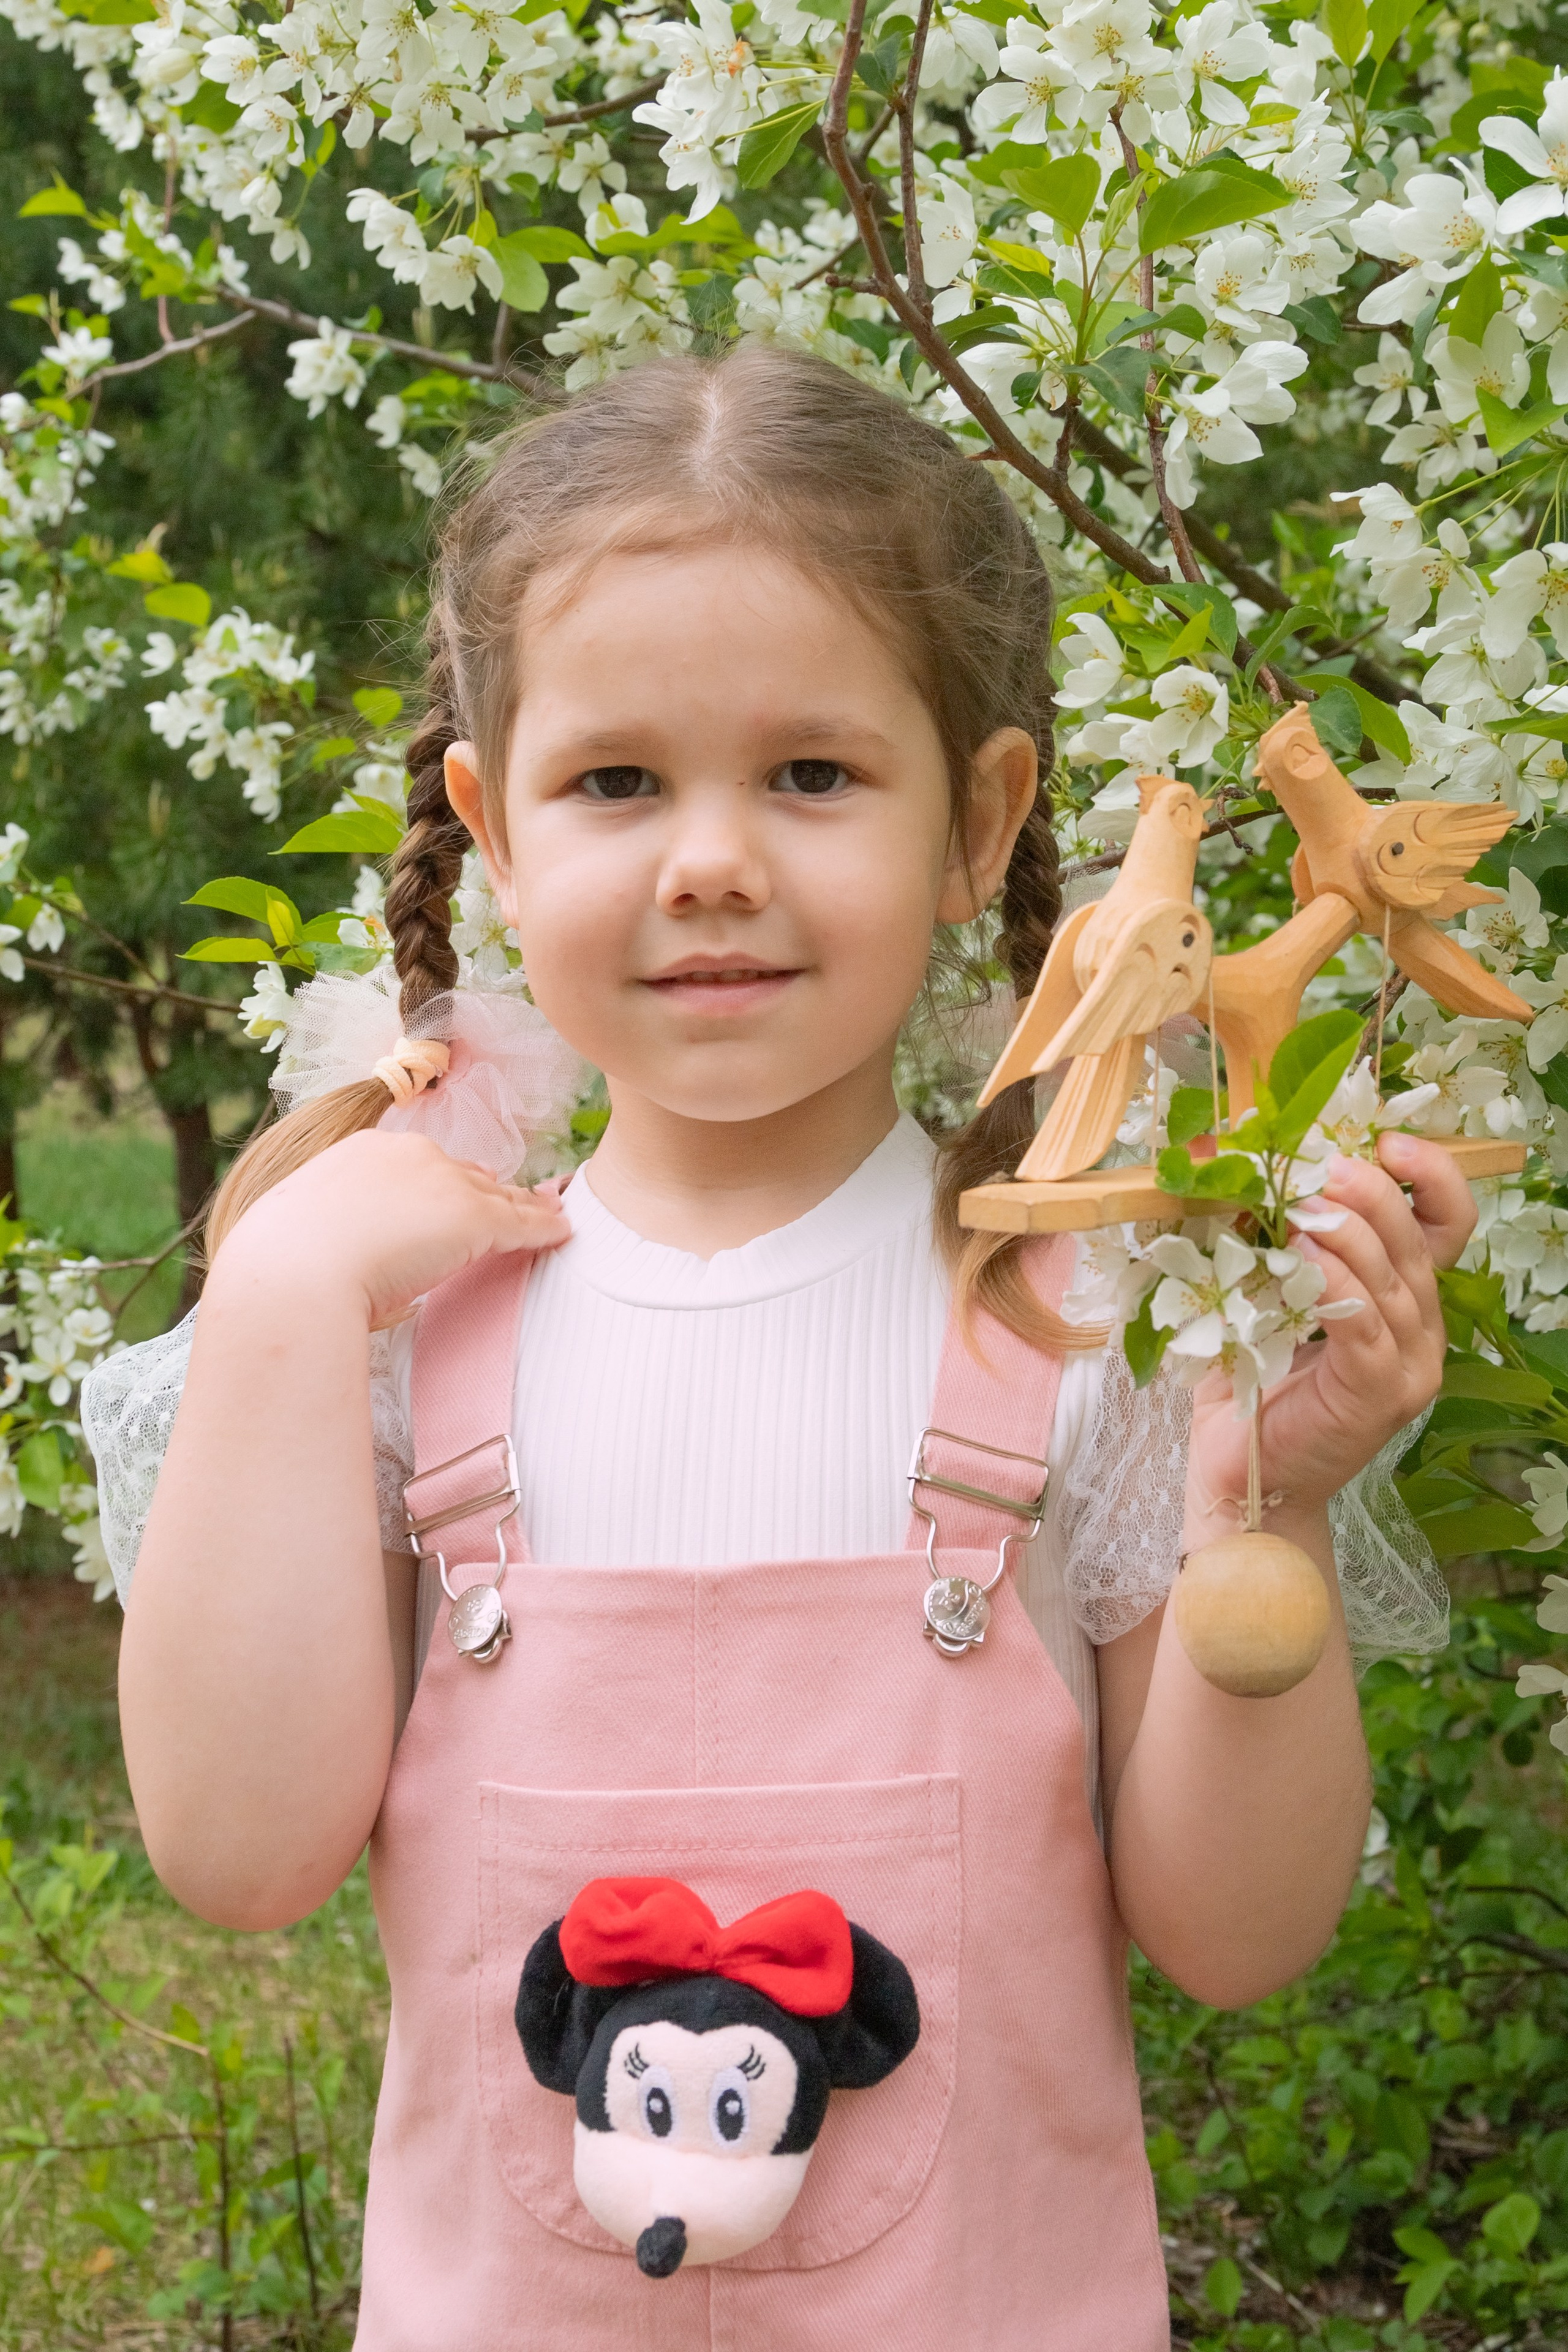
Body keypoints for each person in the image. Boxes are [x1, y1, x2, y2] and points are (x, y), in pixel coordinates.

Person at [88, 345, 1472, 2350]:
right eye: (617, 780)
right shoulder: (389, 1333)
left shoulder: (1095, 1331)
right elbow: (233, 1853)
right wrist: (286, 1306)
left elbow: (1240, 1937)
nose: (712, 857)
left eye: (812, 773)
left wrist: (1281, 1502)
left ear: (982, 820)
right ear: (489, 823)